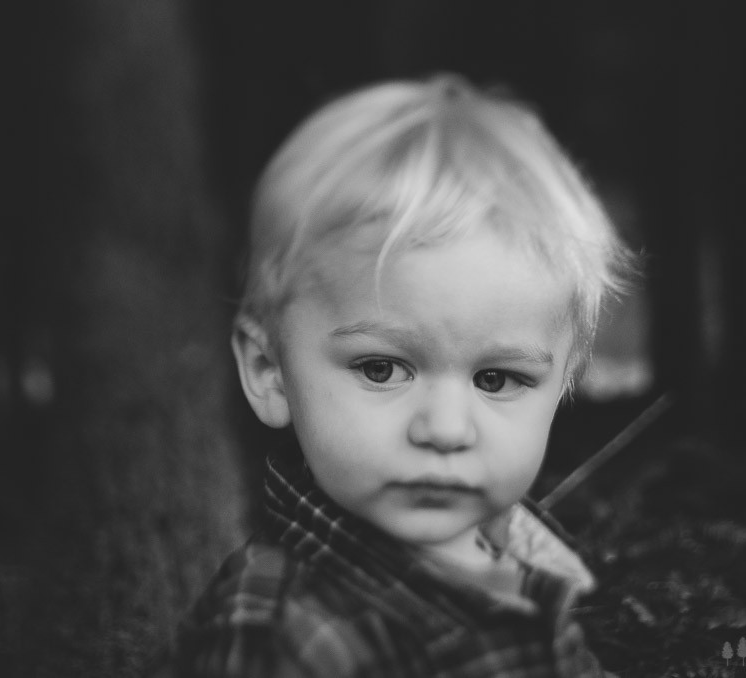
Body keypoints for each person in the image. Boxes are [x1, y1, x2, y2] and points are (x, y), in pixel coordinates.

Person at [173, 73, 633, 677]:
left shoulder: (522, 560)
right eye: (382, 369)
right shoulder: (285, 642)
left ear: (563, 382)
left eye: (496, 380)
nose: (445, 430)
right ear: (270, 371)